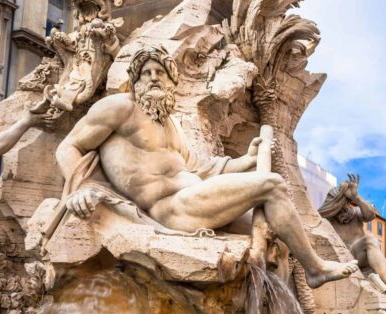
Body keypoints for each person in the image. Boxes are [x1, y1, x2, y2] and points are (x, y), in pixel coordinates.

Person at [54, 46, 358, 288]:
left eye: (160, 72)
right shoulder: (120, 108)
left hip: (195, 198)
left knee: (279, 235)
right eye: (145, 73)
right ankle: (315, 269)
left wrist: (247, 160)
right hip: (170, 209)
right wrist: (79, 188)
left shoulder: (172, 126)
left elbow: (198, 170)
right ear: (135, 82)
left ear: (173, 81)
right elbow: (69, 146)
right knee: (273, 185)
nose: (153, 77)